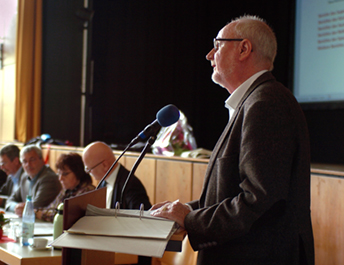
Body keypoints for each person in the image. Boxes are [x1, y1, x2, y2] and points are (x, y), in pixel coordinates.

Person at [151, 15, 315, 265]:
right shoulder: (254, 102)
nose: (209, 55)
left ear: (244, 49)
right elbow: (234, 192)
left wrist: (190, 219)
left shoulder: (265, 104)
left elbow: (258, 201)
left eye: (217, 45)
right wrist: (185, 211)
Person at [82, 141, 151, 210]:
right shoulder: (103, 182)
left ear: (104, 165)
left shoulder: (131, 184)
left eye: (89, 169)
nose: (88, 172)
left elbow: (141, 216)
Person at [36, 152, 95, 222]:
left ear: (78, 172)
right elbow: (52, 208)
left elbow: (63, 216)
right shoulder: (67, 189)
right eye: (59, 174)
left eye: (65, 174)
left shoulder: (87, 191)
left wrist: (38, 213)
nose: (60, 178)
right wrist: (37, 212)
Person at [5, 145, 62, 217]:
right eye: (24, 161)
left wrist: (22, 208)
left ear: (42, 160)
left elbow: (36, 206)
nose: (28, 164)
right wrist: (16, 207)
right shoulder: (24, 177)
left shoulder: (49, 178)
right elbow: (9, 201)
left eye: (32, 160)